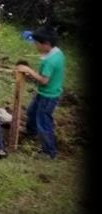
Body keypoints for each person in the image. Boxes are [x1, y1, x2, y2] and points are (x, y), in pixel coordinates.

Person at [16, 27, 66, 160]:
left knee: (43, 123)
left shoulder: (51, 60)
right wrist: (32, 74)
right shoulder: (56, 53)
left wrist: (29, 70)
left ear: (46, 44)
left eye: (37, 43)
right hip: (44, 92)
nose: (35, 46)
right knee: (32, 112)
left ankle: (49, 152)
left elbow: (44, 80)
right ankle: (30, 131)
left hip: (48, 96)